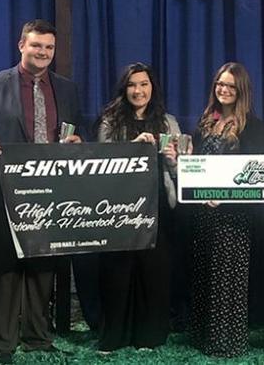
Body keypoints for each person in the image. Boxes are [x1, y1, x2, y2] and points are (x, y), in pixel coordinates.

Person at [0, 19, 83, 364]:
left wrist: (76, 142)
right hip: (5, 192)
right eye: (36, 46)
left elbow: (75, 130)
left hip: (51, 193)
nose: (43, 53)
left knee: (42, 266)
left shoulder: (67, 88)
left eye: (49, 48)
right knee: (5, 268)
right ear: (21, 45)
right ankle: (2, 344)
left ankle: (38, 337)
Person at [181, 62, 264, 357]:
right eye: (220, 84)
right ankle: (202, 337)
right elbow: (195, 165)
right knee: (205, 272)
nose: (224, 90)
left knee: (227, 276)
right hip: (204, 212)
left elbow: (254, 173)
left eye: (231, 86)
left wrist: (225, 197)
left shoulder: (253, 126)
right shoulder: (205, 122)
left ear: (241, 90)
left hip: (233, 213)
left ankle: (225, 342)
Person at [95, 62, 181, 353]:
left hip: (158, 207)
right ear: (124, 89)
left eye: (144, 84)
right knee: (118, 273)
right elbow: (100, 164)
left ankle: (150, 336)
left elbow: (180, 170)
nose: (138, 90)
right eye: (132, 85)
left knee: (154, 273)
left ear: (152, 87)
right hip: (120, 209)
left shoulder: (168, 123)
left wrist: (172, 160)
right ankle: (114, 336)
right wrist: (132, 146)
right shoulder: (110, 120)